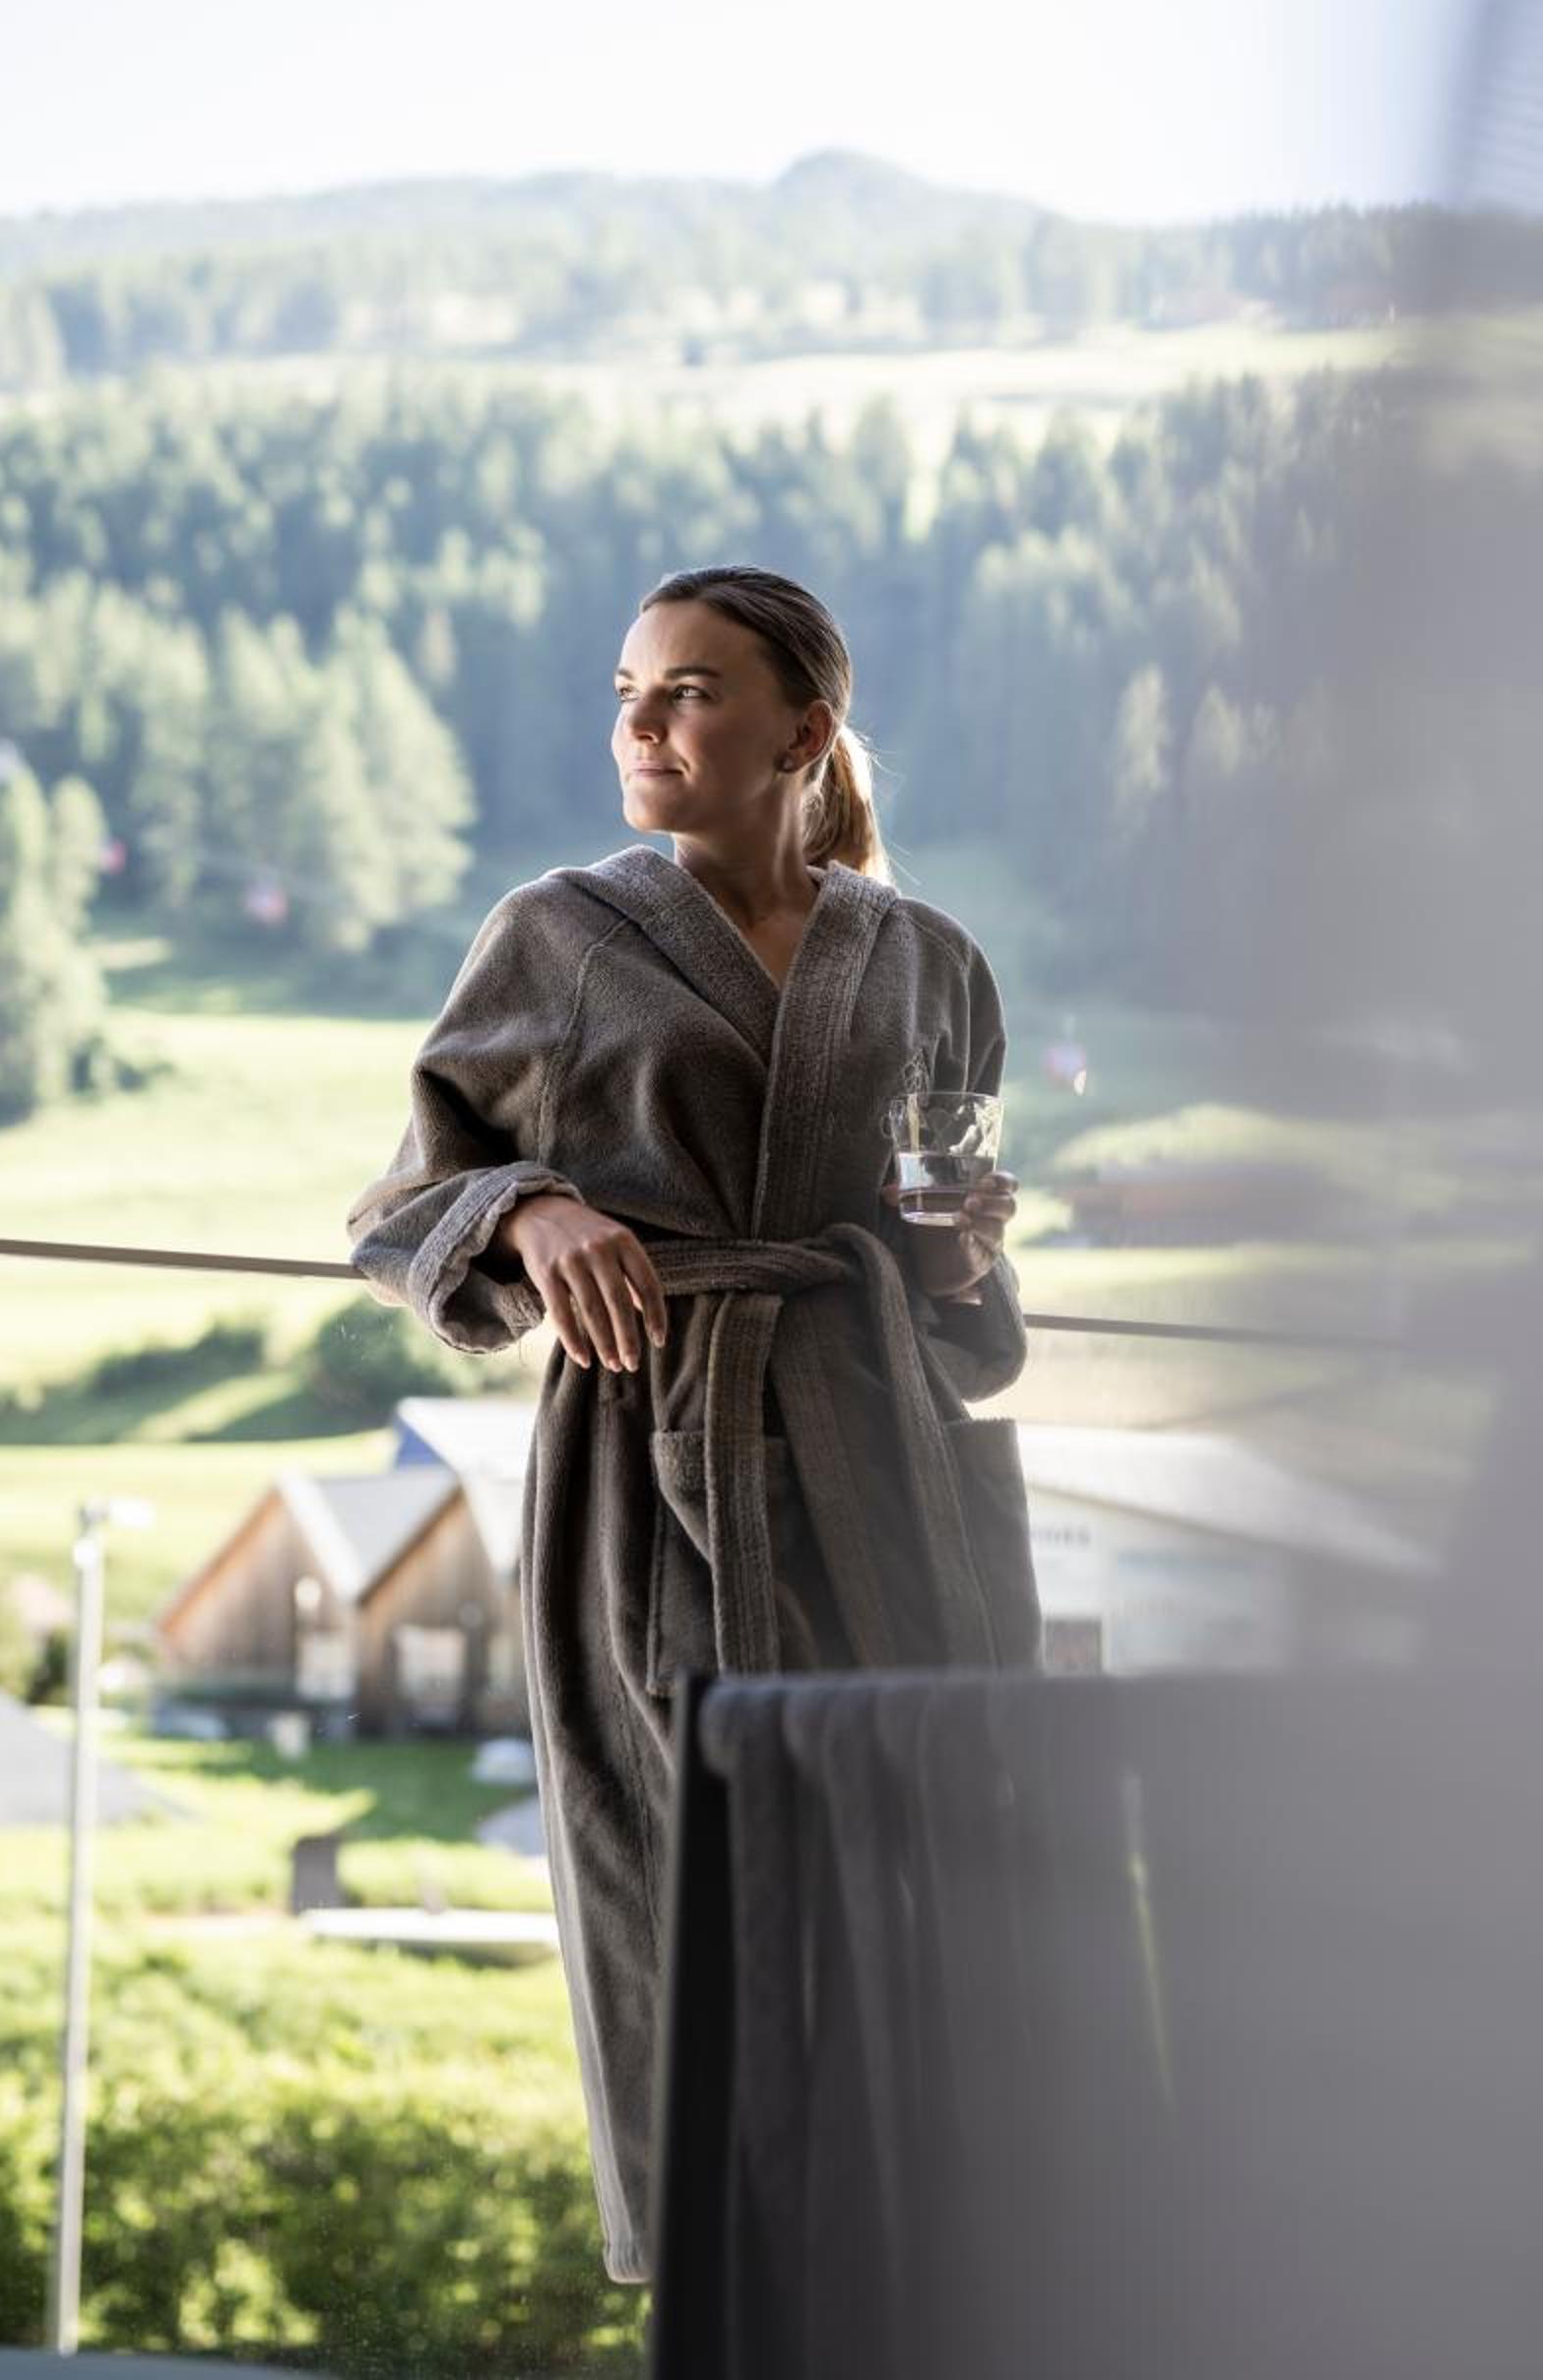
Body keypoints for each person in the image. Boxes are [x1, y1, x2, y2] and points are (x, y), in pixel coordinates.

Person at [346, 562, 1037, 2286]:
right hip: (659, 1466)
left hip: (889, 1468)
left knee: (919, 1884)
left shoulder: (928, 961)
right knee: (681, 1881)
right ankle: (729, 2298)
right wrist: (529, 1210)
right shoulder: (560, 934)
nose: (641, 725)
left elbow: (961, 1318)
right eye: (627, 693)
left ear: (804, 732)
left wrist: (957, 1259)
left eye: (690, 691)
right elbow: (401, 1202)